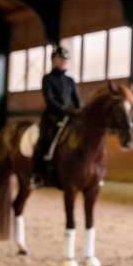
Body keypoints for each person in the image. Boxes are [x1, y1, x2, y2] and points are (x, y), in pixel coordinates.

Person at [31, 46, 82, 188]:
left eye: (65, 60)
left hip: (70, 117)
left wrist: (80, 112)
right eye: (60, 59)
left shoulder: (70, 80)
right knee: (43, 141)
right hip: (52, 117)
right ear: (54, 60)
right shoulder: (47, 79)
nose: (63, 62)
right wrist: (64, 110)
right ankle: (37, 174)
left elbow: (77, 100)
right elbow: (50, 99)